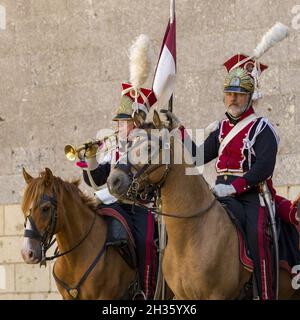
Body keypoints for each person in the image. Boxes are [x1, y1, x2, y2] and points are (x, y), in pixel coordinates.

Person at [164, 54, 299, 300]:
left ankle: (264, 292)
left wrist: (234, 187)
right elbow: (196, 157)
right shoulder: (220, 129)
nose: (233, 98)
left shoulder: (262, 127)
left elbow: (264, 168)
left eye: (239, 93)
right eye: (229, 93)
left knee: (258, 234)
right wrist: (179, 131)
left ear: (250, 97)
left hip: (252, 196)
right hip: (219, 194)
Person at [77, 82, 158, 299]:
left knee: (147, 242)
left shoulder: (147, 144)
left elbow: (141, 178)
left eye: (125, 121)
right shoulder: (112, 146)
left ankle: (146, 290)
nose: (121, 126)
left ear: (137, 122)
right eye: (120, 121)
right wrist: (91, 160)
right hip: (112, 204)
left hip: (139, 205)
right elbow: (96, 180)